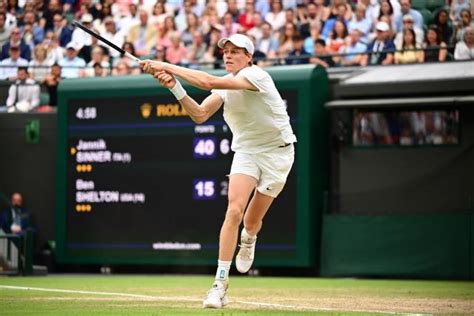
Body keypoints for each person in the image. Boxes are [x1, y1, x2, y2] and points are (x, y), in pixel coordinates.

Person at [140, 33, 296, 309]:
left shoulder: (256, 76)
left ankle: (248, 239)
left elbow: (207, 81)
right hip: (247, 152)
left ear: (249, 57)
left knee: (250, 222)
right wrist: (174, 87)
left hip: (278, 154)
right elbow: (199, 114)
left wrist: (166, 65)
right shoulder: (226, 87)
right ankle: (219, 285)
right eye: (226, 50)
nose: (228, 54)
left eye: (236, 51)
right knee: (233, 210)